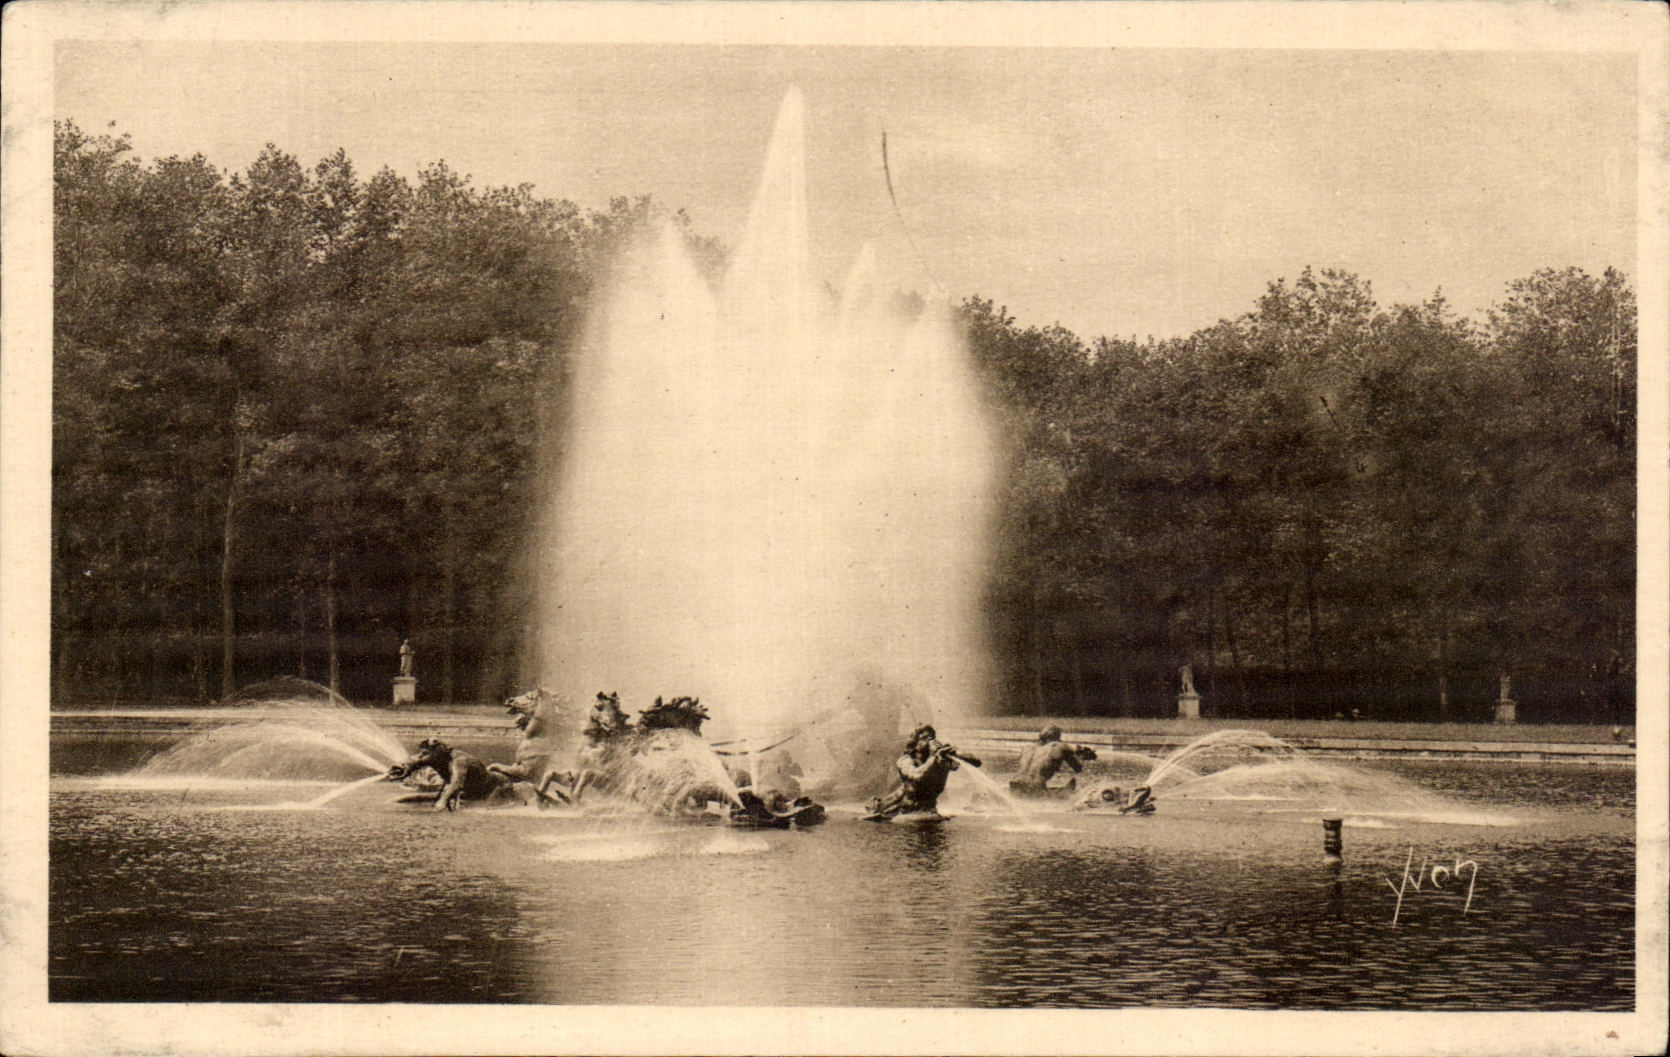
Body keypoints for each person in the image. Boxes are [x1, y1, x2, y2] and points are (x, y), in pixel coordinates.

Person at [866, 725, 973, 818]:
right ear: (915, 743)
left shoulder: (940, 760)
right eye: (924, 738)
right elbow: (917, 775)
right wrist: (933, 758)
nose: (929, 741)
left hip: (928, 810)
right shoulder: (905, 760)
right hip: (901, 810)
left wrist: (957, 753)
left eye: (931, 738)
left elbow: (976, 762)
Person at [1008, 725, 1095, 797]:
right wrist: (1082, 756)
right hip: (1036, 788)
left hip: (1014, 785)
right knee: (1072, 787)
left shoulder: (1027, 748)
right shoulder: (1061, 746)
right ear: (1057, 737)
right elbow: (1078, 768)